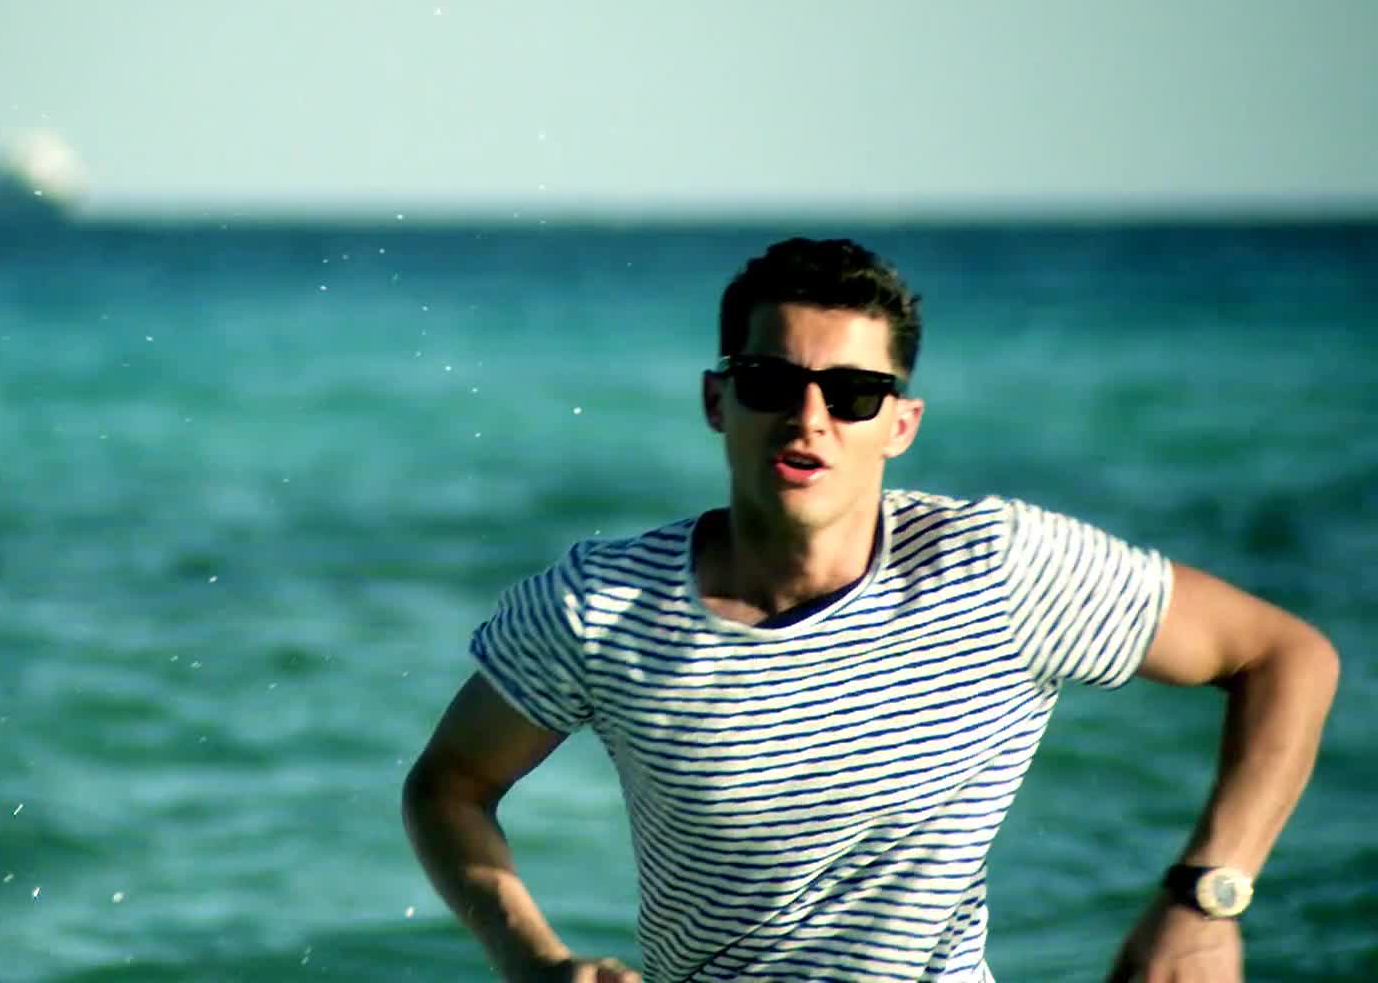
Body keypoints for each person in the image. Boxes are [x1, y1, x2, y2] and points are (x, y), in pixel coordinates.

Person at [401, 237, 1340, 982]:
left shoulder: (1000, 568)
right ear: (718, 400)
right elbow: (448, 787)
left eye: (851, 393)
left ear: (900, 423)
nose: (809, 417)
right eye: (772, 383)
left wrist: (1206, 897)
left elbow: (1284, 656)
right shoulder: (603, 606)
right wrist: (535, 963)